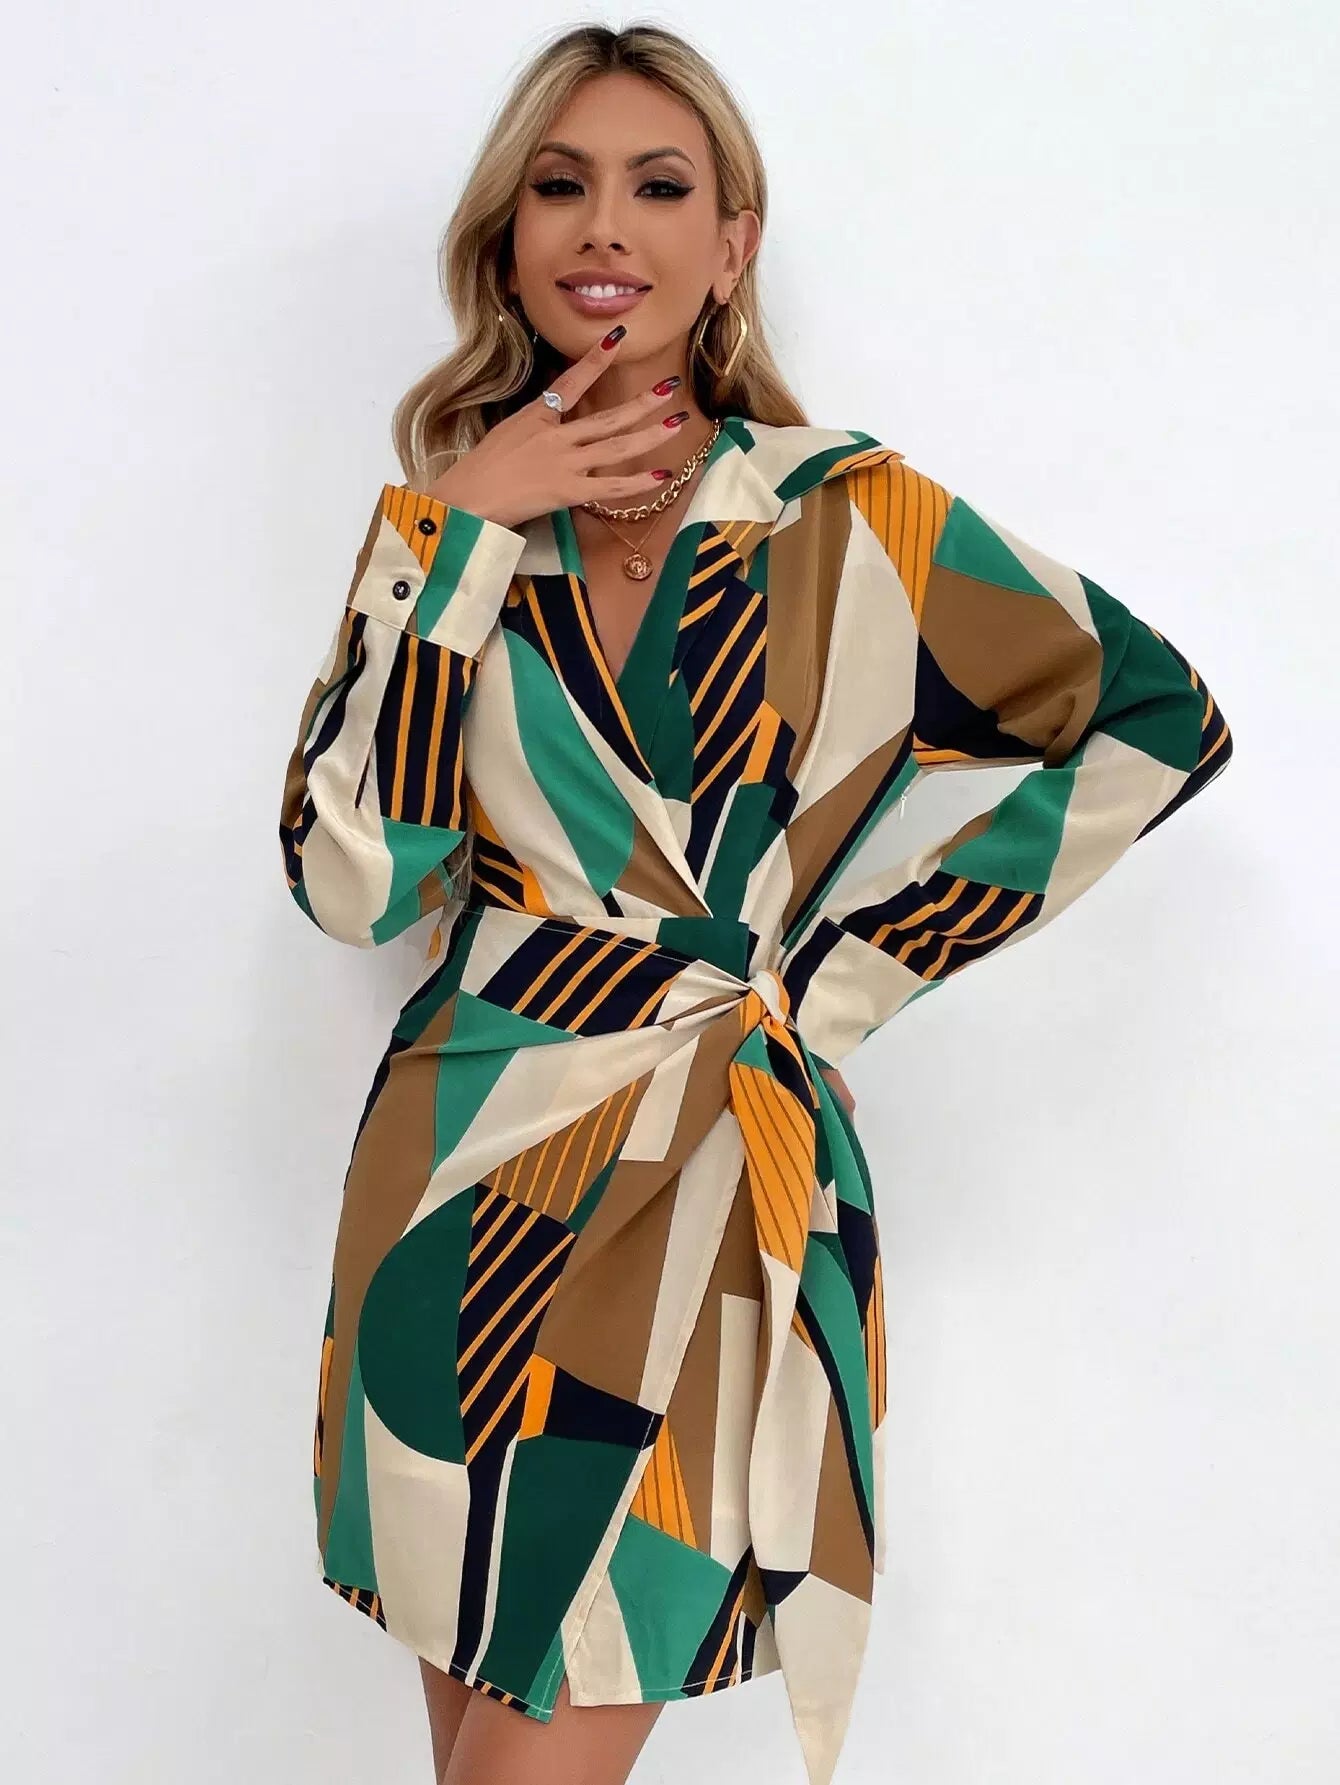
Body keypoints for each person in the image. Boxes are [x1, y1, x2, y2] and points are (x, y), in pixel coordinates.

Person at [276, 22, 1234, 1785]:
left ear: (733, 244)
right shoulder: (449, 530)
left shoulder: (840, 518)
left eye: (659, 185)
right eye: (559, 186)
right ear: (507, 240)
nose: (603, 226)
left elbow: (1155, 717)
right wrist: (457, 531)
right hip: (454, 1193)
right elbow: (354, 880)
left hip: (714, 1192)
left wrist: (842, 986)